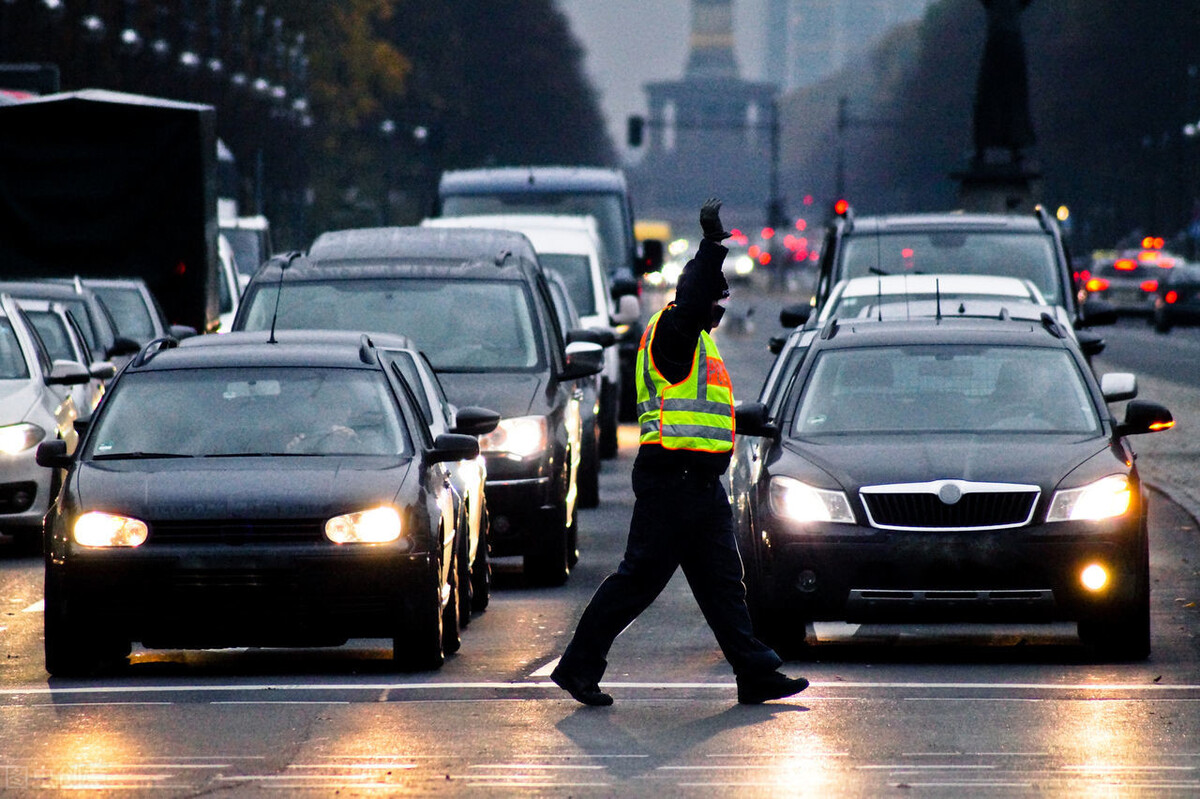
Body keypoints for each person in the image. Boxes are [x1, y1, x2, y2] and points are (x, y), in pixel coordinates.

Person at [550, 198, 809, 707]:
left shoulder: (697, 344)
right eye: (718, 299)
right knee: (639, 580)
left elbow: (697, 410)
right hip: (671, 479)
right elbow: (691, 303)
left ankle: (754, 673)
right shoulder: (674, 330)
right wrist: (712, 247)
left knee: (723, 584)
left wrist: (742, 418)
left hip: (697, 482)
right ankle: (578, 667)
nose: (721, 307)